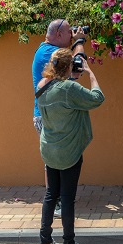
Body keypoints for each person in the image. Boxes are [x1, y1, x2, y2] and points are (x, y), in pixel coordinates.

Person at [36, 48, 105, 244]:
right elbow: (97, 98)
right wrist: (90, 73)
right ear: (68, 67)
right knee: (67, 198)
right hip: (69, 150)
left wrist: (71, 78)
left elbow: (62, 91)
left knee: (51, 195)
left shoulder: (42, 85)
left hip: (49, 147)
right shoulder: (68, 89)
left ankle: (45, 242)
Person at [32, 19, 87, 217]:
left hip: (50, 113)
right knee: (54, 161)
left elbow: (72, 74)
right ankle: (55, 202)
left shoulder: (48, 49)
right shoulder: (50, 54)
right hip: (48, 115)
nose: (71, 36)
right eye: (69, 33)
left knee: (54, 160)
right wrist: (80, 42)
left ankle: (56, 200)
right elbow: (77, 67)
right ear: (58, 35)